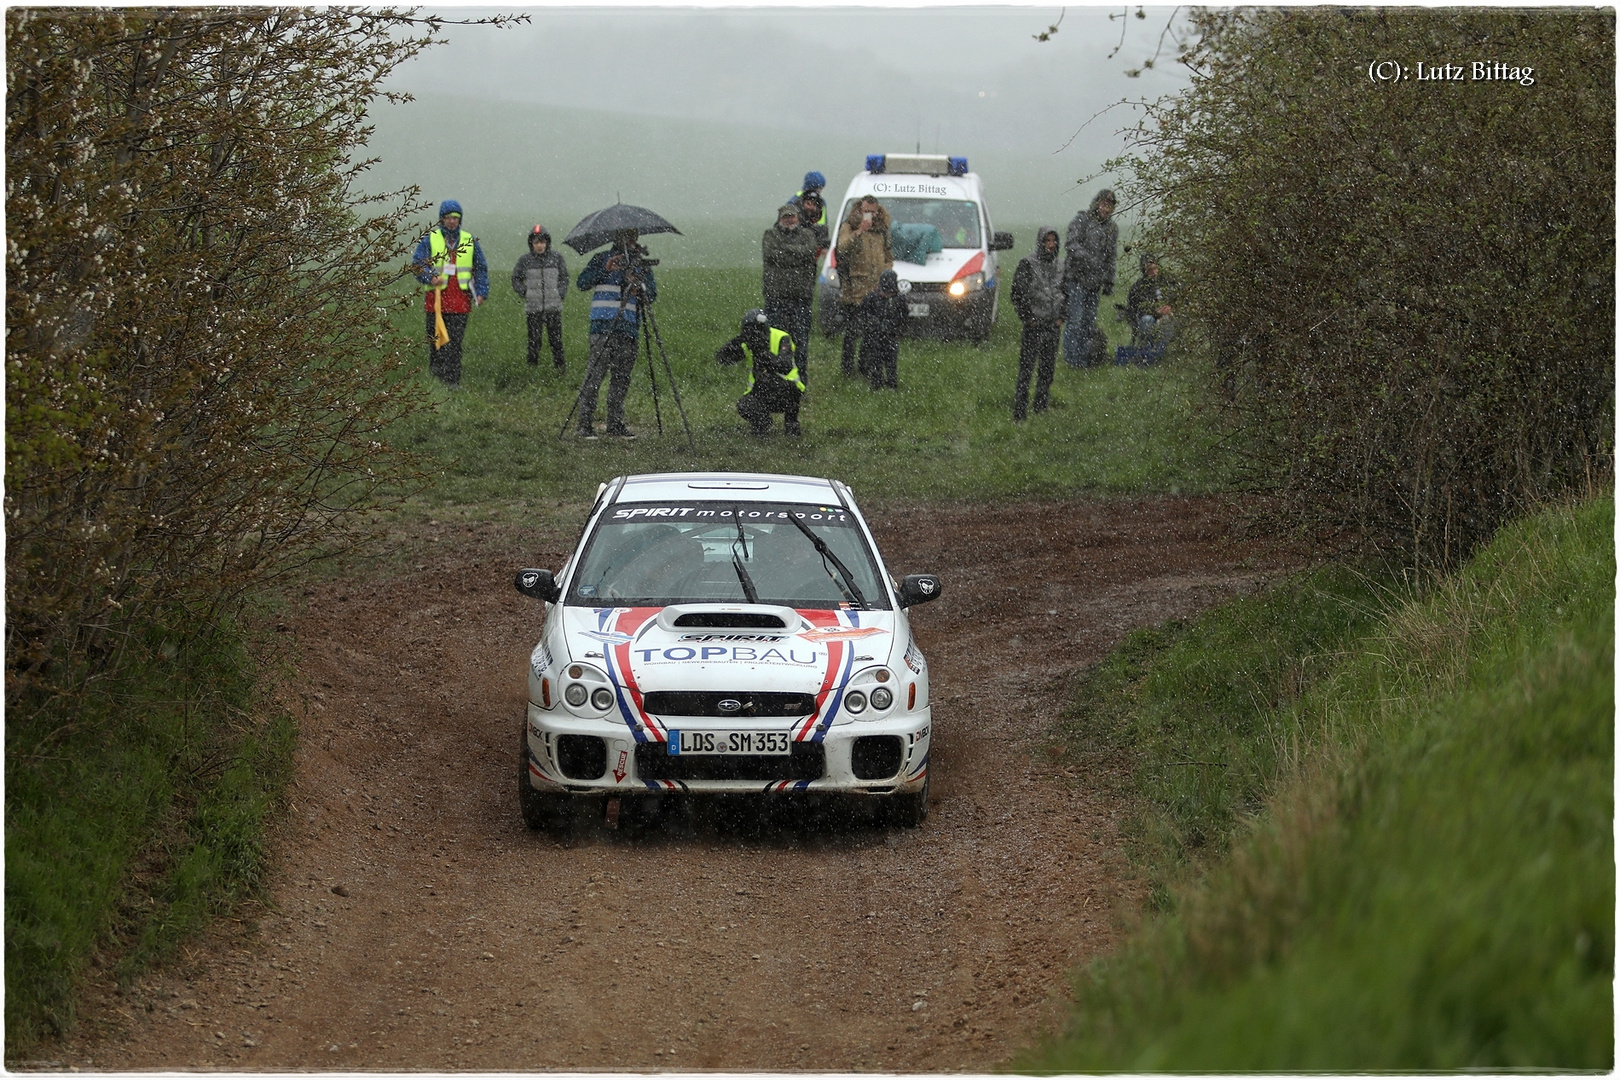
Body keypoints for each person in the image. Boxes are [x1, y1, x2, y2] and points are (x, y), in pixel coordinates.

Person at [573, 228, 657, 439]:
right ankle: (584, 424)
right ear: (616, 238)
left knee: (621, 379)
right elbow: (582, 282)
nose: (631, 240)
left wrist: (640, 286)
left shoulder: (641, 265)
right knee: (594, 377)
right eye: (627, 236)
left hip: (628, 327)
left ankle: (615, 424)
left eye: (634, 236)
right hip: (602, 327)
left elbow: (652, 294)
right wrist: (606, 269)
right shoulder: (601, 258)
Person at [411, 199, 489, 387]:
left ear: (460, 219)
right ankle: (435, 378)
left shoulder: (470, 240)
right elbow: (417, 264)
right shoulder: (431, 239)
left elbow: (480, 268)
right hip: (435, 302)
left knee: (454, 344)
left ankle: (452, 380)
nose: (452, 221)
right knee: (436, 342)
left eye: (455, 218)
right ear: (441, 219)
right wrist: (430, 276)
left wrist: (481, 291)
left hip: (460, 302)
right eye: (448, 218)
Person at [715, 308, 804, 437]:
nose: (754, 336)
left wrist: (764, 352)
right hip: (761, 390)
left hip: (788, 389)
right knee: (745, 405)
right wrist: (738, 341)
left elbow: (785, 366)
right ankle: (762, 424)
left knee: (779, 387)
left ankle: (791, 423)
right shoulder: (748, 343)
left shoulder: (781, 337)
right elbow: (722, 358)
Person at [1010, 226, 1067, 420]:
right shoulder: (1027, 264)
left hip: (1053, 324)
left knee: (1047, 369)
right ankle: (1020, 411)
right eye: (1047, 241)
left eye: (1053, 241)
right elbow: (1017, 294)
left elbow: (1067, 292)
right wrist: (1028, 318)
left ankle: (1041, 407)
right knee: (1026, 369)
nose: (1051, 245)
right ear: (1040, 242)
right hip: (1034, 326)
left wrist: (1062, 316)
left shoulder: (1061, 265)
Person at [834, 194, 893, 377]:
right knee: (852, 333)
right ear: (859, 209)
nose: (870, 216)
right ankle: (847, 369)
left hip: (876, 290)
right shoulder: (849, 226)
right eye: (866, 211)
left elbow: (889, 256)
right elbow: (841, 249)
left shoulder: (882, 229)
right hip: (854, 290)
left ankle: (866, 367)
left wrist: (885, 273)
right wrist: (859, 231)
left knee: (872, 333)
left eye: (873, 212)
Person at [1061, 189, 1119, 369]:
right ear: (1096, 203)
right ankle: (1071, 360)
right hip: (1077, 279)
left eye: (1110, 206)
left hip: (1095, 283)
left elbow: (1111, 256)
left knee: (1088, 323)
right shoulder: (1082, 220)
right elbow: (1071, 244)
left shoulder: (1112, 228)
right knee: (1075, 321)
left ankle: (1084, 360)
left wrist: (1109, 279)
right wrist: (1089, 259)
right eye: (1103, 204)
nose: (1106, 209)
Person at [761, 203, 820, 380]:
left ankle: (800, 382)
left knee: (800, 344)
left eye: (791, 216)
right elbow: (772, 255)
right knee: (775, 343)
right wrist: (796, 255)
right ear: (779, 219)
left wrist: (786, 251)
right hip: (776, 299)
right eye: (785, 217)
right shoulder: (770, 235)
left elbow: (810, 252)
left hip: (801, 299)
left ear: (798, 218)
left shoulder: (808, 235)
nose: (788, 220)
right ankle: (776, 381)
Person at [510, 224, 568, 370]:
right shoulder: (525, 261)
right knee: (534, 340)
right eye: (536, 242)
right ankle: (532, 367)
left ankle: (560, 368)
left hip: (553, 307)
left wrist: (559, 293)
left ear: (547, 243)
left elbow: (564, 277)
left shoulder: (556, 258)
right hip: (533, 307)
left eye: (542, 242)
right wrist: (525, 292)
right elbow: (516, 278)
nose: (540, 245)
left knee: (556, 340)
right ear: (531, 244)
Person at [858, 269, 905, 390]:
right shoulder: (872, 297)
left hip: (891, 335)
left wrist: (895, 325)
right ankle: (876, 383)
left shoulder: (899, 298)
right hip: (875, 335)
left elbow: (904, 315)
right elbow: (863, 312)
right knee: (875, 360)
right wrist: (872, 323)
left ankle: (891, 383)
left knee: (891, 361)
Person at [1125, 251, 1177, 348]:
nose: (1153, 273)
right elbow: (1136, 309)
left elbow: (1176, 297)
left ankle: (1162, 350)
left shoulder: (1167, 281)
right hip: (1149, 317)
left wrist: (1169, 308)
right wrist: (1156, 313)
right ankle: (1149, 350)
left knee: (1167, 320)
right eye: (1150, 270)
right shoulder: (1138, 287)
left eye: (1155, 269)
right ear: (1144, 271)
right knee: (1146, 320)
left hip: (1168, 314)